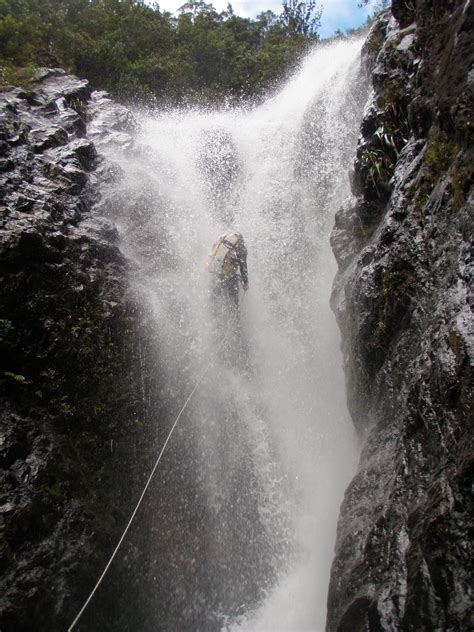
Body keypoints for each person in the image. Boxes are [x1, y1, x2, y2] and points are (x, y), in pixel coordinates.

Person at [206, 231, 248, 310]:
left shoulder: (222, 240)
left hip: (216, 274)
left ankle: (213, 315)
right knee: (233, 302)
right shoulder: (241, 247)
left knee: (214, 299)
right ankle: (234, 317)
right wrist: (245, 283)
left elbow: (213, 252)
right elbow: (243, 266)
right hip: (229, 278)